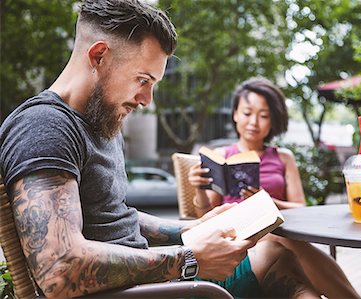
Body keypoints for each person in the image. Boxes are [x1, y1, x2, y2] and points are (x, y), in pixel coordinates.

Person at [0, 1, 324, 298]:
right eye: (143, 80)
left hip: (150, 281)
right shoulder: (45, 127)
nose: (146, 100)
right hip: (138, 291)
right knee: (278, 261)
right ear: (99, 56)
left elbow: (113, 217)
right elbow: (59, 270)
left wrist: (192, 228)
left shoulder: (102, 119)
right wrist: (189, 260)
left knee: (283, 261)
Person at [188, 77, 361, 299]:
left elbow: (300, 207)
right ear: (235, 114)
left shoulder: (283, 157)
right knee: (284, 244)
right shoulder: (221, 155)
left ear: (273, 121)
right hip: (239, 246)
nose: (254, 122)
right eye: (247, 113)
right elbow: (204, 217)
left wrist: (269, 202)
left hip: (278, 241)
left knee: (285, 249)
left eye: (264, 116)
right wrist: (200, 189)